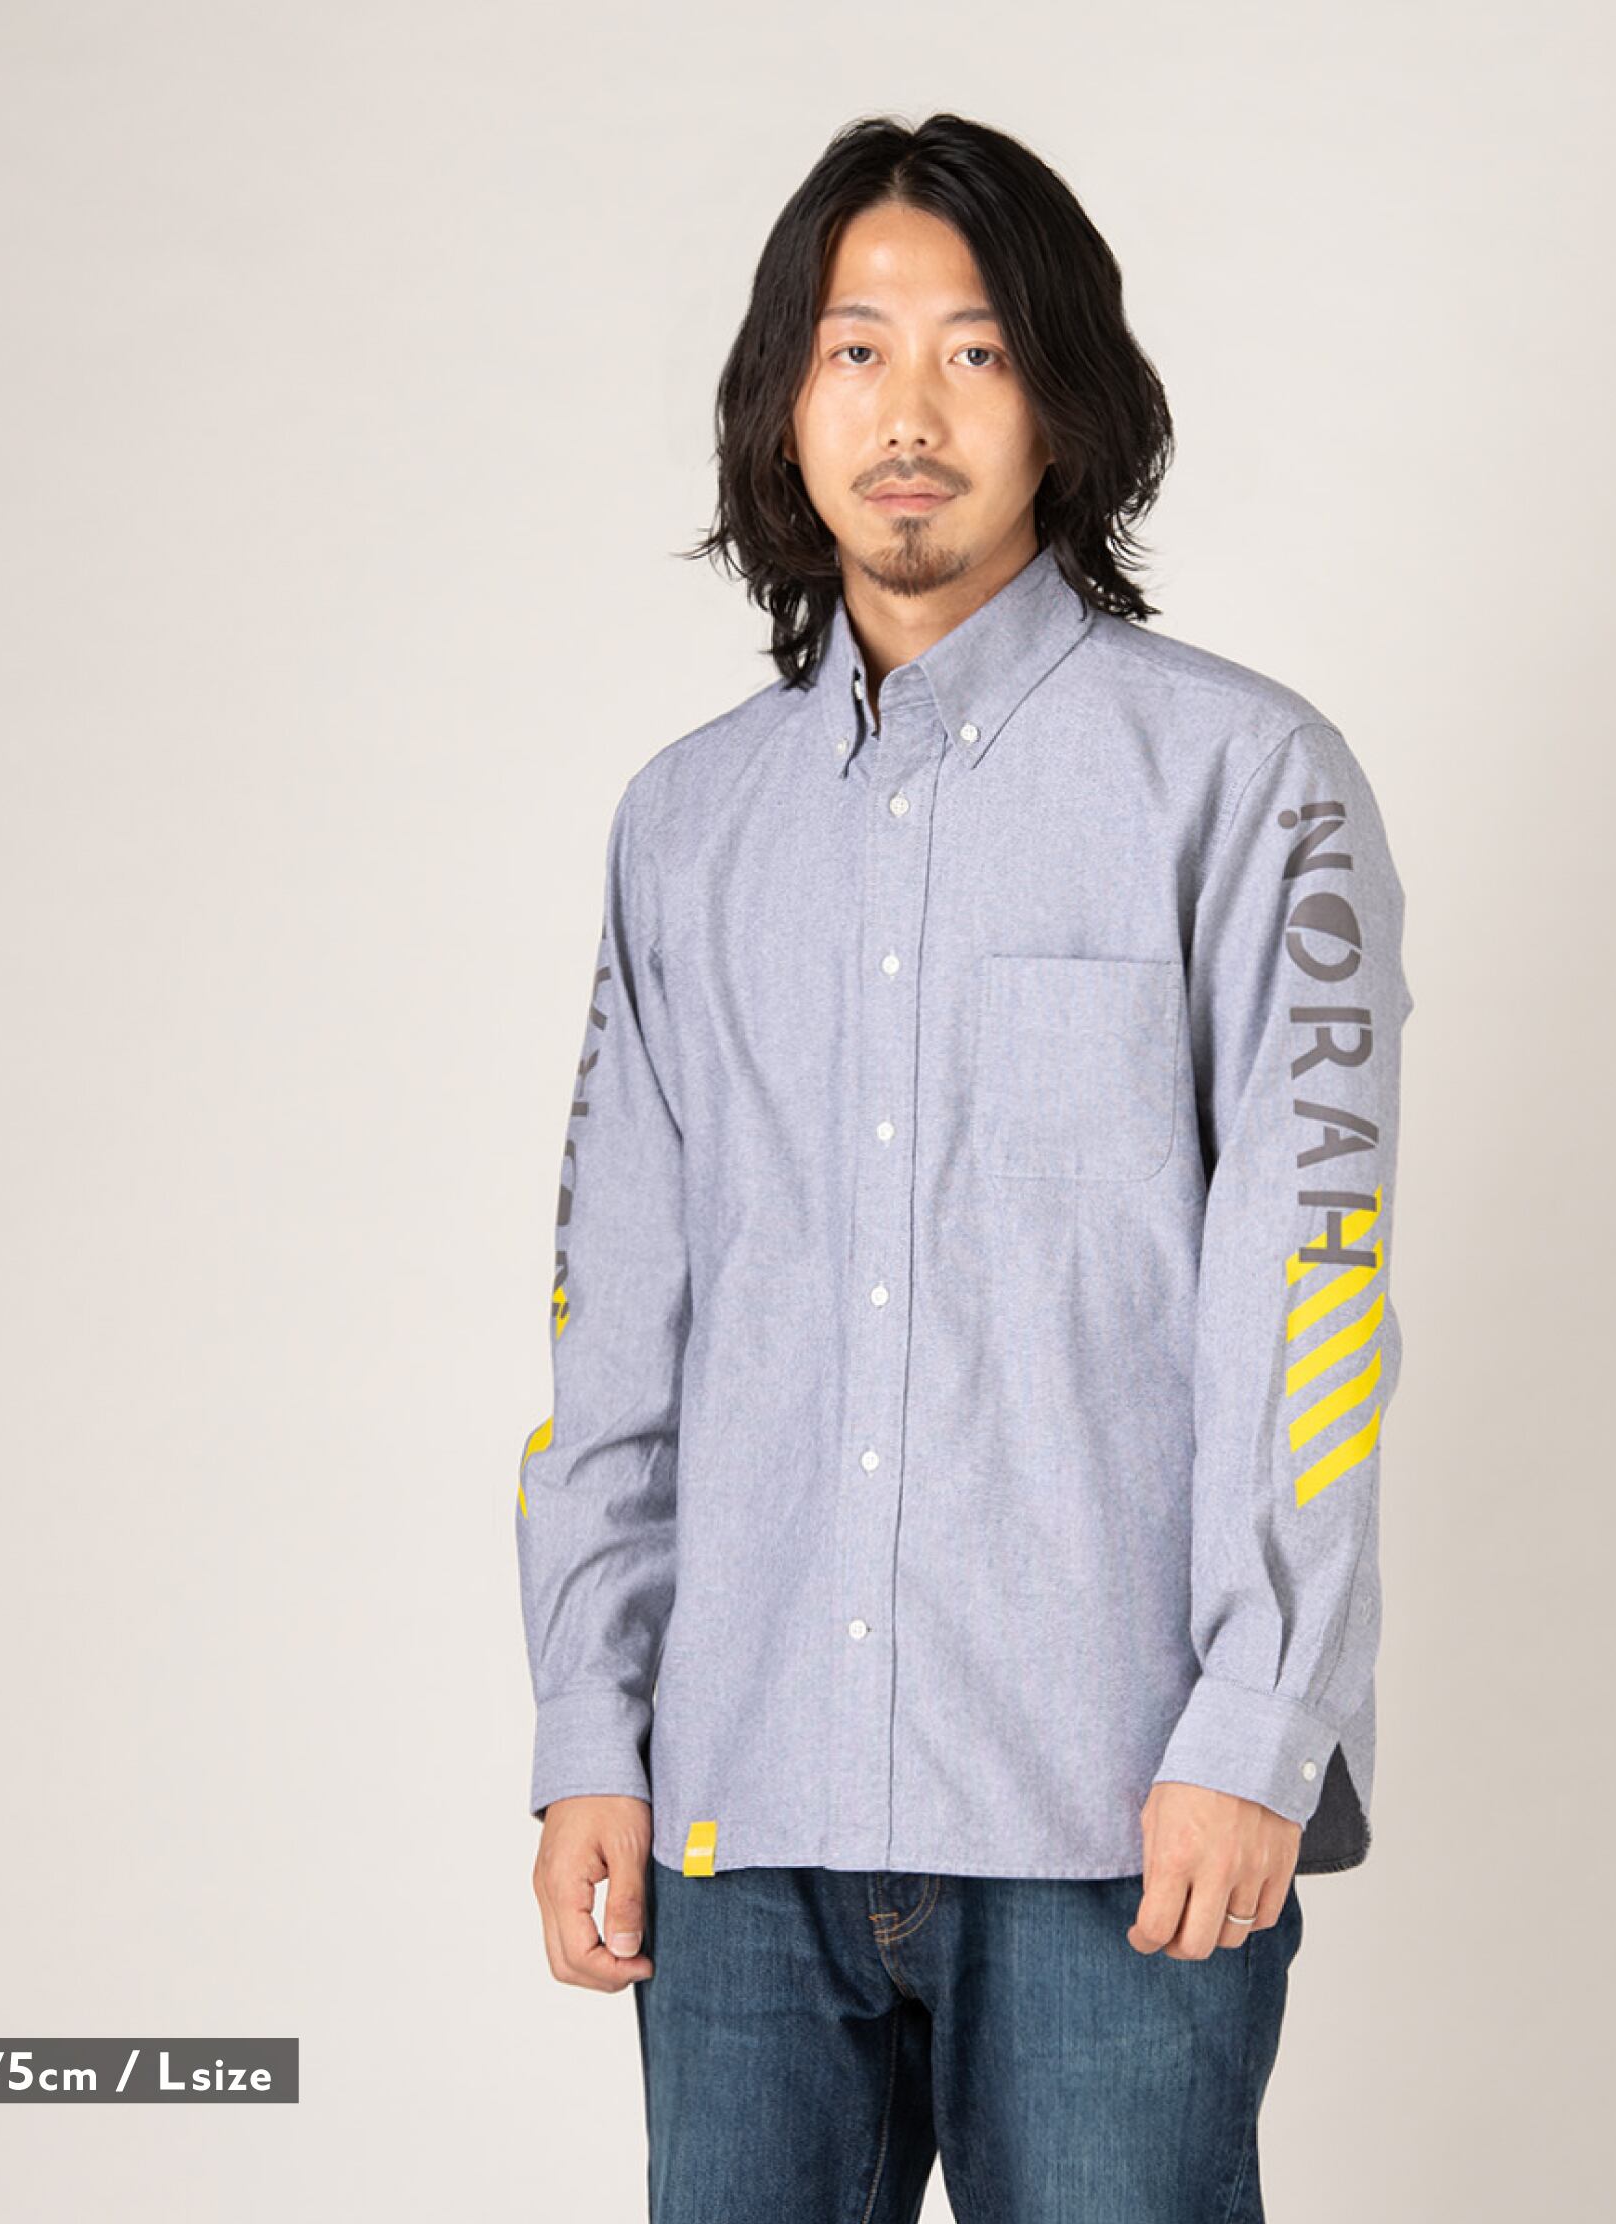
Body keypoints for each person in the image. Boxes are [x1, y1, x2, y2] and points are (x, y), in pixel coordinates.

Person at [516, 110, 1412, 2223]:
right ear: (784, 400)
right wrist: (587, 1731)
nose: (907, 413)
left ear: (1066, 399)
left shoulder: (1243, 780)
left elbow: (1307, 1288)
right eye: (855, 350)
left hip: (1115, 1821)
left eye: (975, 350)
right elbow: (615, 1307)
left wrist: (1257, 1723)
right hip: (740, 1823)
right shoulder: (686, 827)